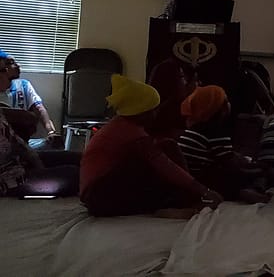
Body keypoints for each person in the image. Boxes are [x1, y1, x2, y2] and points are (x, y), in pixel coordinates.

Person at [79, 74, 223, 218]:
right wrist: (203, 190)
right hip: (100, 197)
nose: (155, 114)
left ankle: (174, 203)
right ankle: (173, 205)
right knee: (160, 160)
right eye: (151, 111)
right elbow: (164, 165)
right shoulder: (130, 133)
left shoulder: (123, 126)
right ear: (140, 112)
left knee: (165, 147)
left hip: (98, 198)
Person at [179, 85, 271, 204]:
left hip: (191, 179)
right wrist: (254, 166)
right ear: (219, 109)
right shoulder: (216, 132)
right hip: (208, 181)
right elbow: (229, 163)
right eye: (226, 101)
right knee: (261, 173)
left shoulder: (191, 130)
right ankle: (251, 190)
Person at [0, 113, 79, 197]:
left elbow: (14, 139)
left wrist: (33, 158)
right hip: (10, 178)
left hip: (18, 160)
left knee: (78, 158)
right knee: (76, 174)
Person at [0, 50, 59, 147]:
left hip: (24, 143)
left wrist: (51, 132)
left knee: (52, 144)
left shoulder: (24, 85)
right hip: (4, 145)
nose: (18, 65)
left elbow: (39, 109)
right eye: (11, 63)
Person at [146, 58, 197, 140]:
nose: (185, 82)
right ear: (170, 81)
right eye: (182, 77)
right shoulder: (174, 111)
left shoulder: (150, 109)